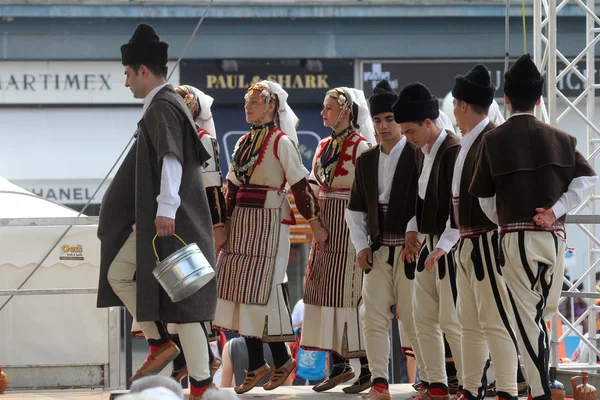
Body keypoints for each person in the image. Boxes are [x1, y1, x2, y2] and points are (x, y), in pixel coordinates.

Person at [95, 23, 217, 399]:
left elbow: (171, 159)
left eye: (128, 74)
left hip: (171, 221)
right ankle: (162, 343)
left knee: (189, 302)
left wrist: (166, 207)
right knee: (134, 279)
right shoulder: (165, 104)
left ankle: (198, 382)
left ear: (143, 71)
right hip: (164, 221)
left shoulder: (163, 105)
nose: (127, 82)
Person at [469, 54, 597, 400]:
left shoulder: (492, 141)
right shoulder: (562, 138)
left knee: (526, 318)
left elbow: (482, 198)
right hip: (553, 240)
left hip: (516, 239)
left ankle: (541, 391)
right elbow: (587, 181)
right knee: (541, 315)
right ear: (539, 99)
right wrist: (554, 212)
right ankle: (543, 385)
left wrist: (507, 220)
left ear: (506, 100)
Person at [213, 80, 322, 394]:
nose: (247, 107)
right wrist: (221, 225)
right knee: (237, 286)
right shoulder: (244, 142)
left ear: (272, 105)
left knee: (263, 288)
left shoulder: (281, 142)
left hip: (270, 221)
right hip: (242, 223)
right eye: (247, 101)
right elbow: (230, 189)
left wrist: (314, 223)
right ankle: (264, 362)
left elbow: (300, 186)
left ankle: (278, 359)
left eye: (255, 101)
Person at [345, 80, 423, 400]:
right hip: (377, 250)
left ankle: (429, 380)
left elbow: (426, 200)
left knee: (417, 317)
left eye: (389, 119)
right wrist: (361, 246)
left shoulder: (418, 154)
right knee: (372, 316)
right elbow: (355, 209)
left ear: (400, 121)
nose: (383, 126)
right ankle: (379, 382)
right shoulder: (365, 159)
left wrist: (414, 230)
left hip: (410, 251)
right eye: (377, 120)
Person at [449, 64, 520, 400]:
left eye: (454, 104)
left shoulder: (491, 139)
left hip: (487, 242)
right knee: (469, 323)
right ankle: (471, 387)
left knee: (494, 321)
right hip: (466, 241)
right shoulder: (468, 141)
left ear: (464, 105)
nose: (452, 110)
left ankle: (506, 388)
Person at [301, 86, 375, 393]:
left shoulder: (363, 147)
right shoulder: (321, 146)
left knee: (350, 295)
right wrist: (315, 222)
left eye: (328, 108)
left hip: (350, 225)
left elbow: (371, 194)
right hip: (325, 227)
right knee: (322, 292)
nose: (322, 113)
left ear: (345, 112)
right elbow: (312, 186)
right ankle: (340, 364)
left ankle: (368, 368)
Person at [393, 82, 462, 400]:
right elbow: (420, 202)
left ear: (429, 123)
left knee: (452, 319)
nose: (407, 138)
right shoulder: (423, 152)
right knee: (421, 317)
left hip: (452, 245)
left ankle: (469, 384)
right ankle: (437, 384)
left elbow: (459, 209)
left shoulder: (453, 151)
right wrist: (412, 230)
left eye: (410, 132)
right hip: (429, 244)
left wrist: (440, 247)